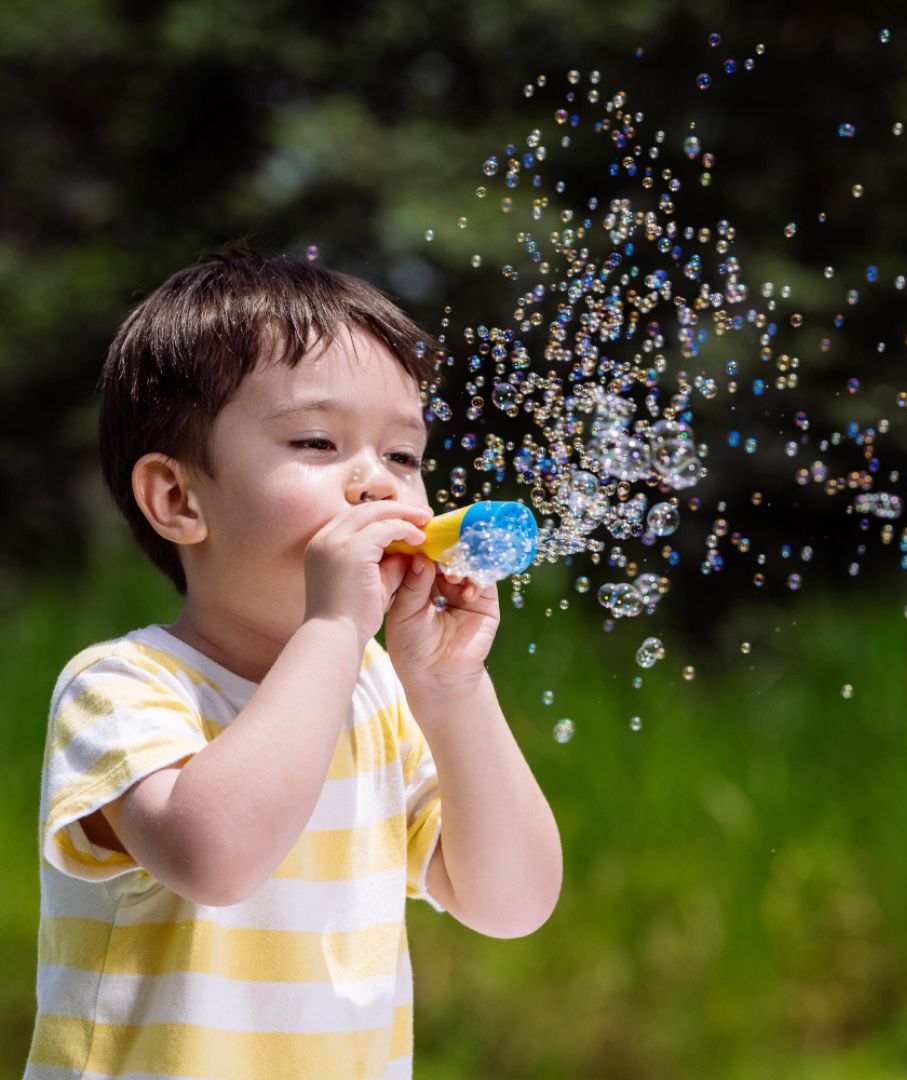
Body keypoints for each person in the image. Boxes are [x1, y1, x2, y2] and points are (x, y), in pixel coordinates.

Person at [23, 240, 563, 1080]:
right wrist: (335, 631)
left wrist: (452, 691)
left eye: (403, 456)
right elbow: (216, 859)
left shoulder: (378, 695)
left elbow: (513, 903)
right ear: (178, 499)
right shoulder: (120, 687)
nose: (377, 485)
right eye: (316, 443)